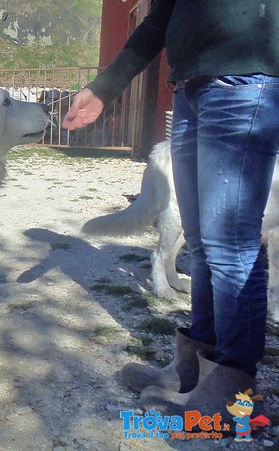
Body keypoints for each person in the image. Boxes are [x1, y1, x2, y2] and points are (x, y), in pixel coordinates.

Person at [63, 1, 279, 420]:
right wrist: (105, 87)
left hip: (245, 81)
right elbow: (160, 18)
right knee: (199, 242)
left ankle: (234, 389)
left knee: (229, 245)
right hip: (191, 89)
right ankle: (194, 368)